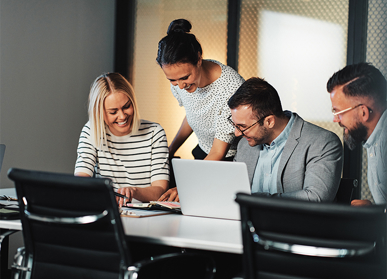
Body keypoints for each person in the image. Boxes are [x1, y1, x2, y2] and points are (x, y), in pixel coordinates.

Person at [156, 19, 245, 201]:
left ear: (198, 58)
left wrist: (185, 187)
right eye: (172, 80)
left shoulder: (230, 88)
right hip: (202, 154)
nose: (180, 86)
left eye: (184, 77)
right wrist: (170, 151)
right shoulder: (180, 82)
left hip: (228, 161)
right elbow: (193, 114)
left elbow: (218, 152)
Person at [229, 77, 343, 201]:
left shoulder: (322, 143)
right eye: (235, 125)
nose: (237, 134)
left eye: (243, 127)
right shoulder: (244, 145)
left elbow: (315, 198)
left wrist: (254, 199)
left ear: (269, 121)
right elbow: (231, 192)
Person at [74, 73, 169, 206]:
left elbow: (160, 191)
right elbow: (81, 181)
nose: (122, 116)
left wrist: (134, 191)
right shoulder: (91, 131)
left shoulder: (155, 133)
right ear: (99, 113)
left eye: (126, 106)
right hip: (108, 210)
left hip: (146, 215)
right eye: (113, 112)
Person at [327, 62, 387, 206]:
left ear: (363, 112)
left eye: (338, 112)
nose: (335, 119)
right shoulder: (374, 139)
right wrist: (373, 209)